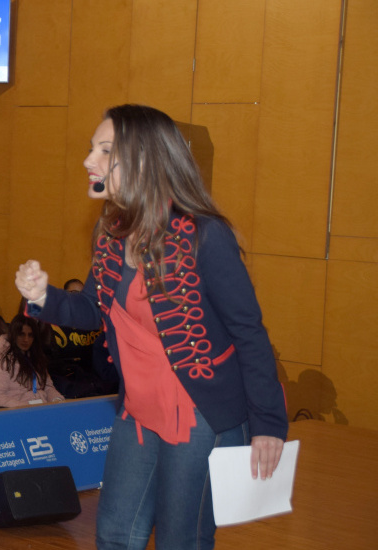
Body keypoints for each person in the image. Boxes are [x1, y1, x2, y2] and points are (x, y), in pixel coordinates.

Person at [14, 104, 287, 548]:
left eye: (105, 150)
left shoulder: (205, 235)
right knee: (116, 535)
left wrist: (269, 424)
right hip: (138, 409)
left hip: (202, 414)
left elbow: (250, 333)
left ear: (142, 161)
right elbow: (94, 310)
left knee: (183, 540)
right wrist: (43, 298)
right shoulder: (110, 234)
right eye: (91, 149)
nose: (88, 161)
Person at [0, 315, 64, 407]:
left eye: (30, 335)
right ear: (13, 335)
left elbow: (48, 387)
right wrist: (24, 406)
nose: (26, 339)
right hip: (19, 412)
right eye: (21, 334)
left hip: (41, 408)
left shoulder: (36, 356)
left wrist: (57, 400)